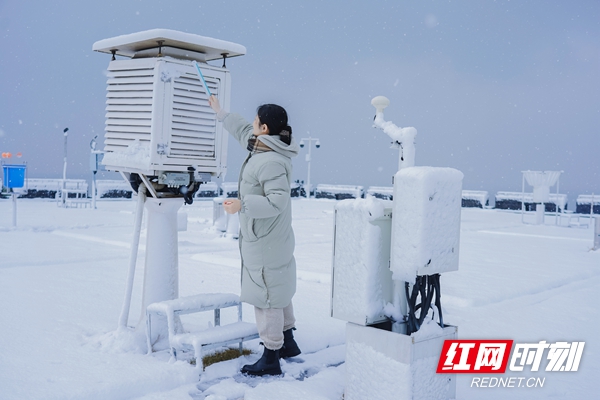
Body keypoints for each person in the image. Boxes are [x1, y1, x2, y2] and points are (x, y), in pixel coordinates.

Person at [208, 95, 302, 376]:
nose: (252, 124)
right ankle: (288, 342)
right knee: (278, 286)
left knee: (267, 296)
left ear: (264, 129)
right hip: (272, 239)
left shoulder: (270, 161)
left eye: (256, 121)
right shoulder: (262, 146)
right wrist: (221, 112)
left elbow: (277, 202)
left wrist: (242, 205)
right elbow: (240, 129)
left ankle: (271, 356)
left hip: (265, 240)